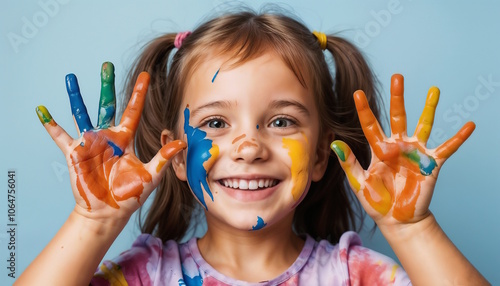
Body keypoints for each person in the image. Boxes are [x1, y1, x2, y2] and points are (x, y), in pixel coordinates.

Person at [17, 9, 488, 285]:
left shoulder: (354, 275)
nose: (248, 147)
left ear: (323, 154)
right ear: (177, 155)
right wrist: (93, 221)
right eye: (216, 122)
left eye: (281, 121)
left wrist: (412, 230)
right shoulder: (146, 275)